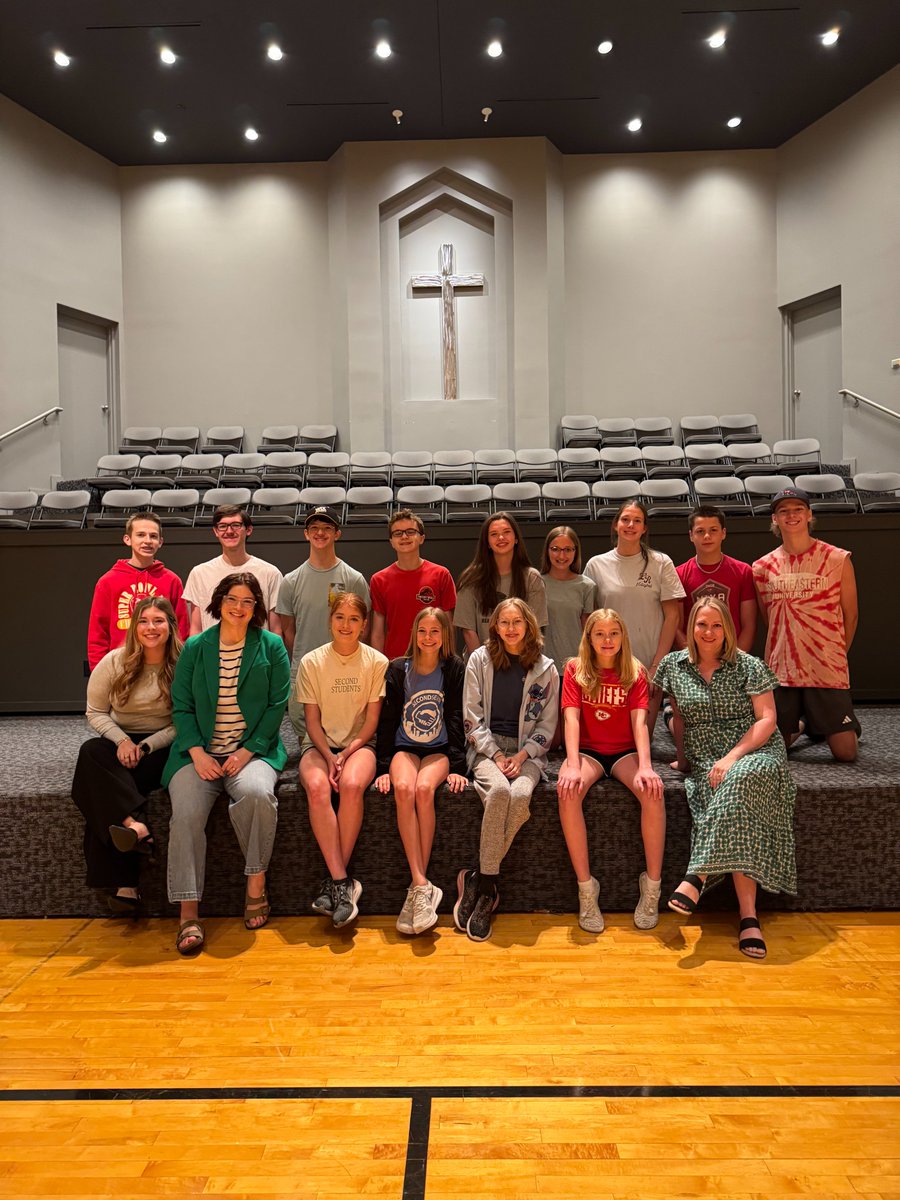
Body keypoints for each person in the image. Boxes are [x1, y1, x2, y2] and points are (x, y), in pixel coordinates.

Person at [654, 598, 797, 959]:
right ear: (692, 627)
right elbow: (680, 718)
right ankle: (748, 917)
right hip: (705, 760)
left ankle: (696, 876)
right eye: (701, 624)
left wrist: (732, 757)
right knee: (738, 807)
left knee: (740, 779)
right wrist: (684, 762)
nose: (708, 632)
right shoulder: (674, 665)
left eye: (716, 625)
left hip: (754, 752)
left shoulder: (749, 666)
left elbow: (767, 719)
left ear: (727, 629)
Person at [164, 572, 291, 956]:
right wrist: (198, 753)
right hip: (197, 752)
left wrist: (248, 750)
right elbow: (181, 706)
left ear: (257, 608)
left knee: (257, 795)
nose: (239, 607)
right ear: (218, 602)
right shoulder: (195, 647)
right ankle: (189, 909)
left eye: (248, 601)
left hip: (252, 750)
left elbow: (276, 705)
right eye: (232, 599)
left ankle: (255, 883)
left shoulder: (271, 646)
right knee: (185, 813)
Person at [456, 598, 559, 942]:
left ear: (529, 625)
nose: (511, 629)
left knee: (519, 796)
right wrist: (497, 754)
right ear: (495, 627)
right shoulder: (479, 660)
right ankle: (489, 889)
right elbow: (471, 717)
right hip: (485, 749)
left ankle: (479, 880)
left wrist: (524, 755)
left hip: (528, 752)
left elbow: (547, 724)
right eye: (504, 623)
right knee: (499, 791)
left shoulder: (546, 668)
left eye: (517, 622)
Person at [556, 609, 665, 933]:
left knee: (653, 792)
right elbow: (571, 719)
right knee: (567, 791)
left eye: (613, 633)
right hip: (588, 752)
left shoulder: (634, 671)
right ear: (589, 637)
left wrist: (646, 766)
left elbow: (639, 725)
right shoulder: (575, 669)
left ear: (623, 637)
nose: (607, 640)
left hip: (624, 752)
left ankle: (653, 887)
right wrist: (573, 765)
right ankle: (586, 889)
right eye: (600, 634)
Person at [72, 596, 183, 915]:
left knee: (103, 792)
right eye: (144, 621)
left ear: (170, 626)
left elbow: (185, 718)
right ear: (134, 627)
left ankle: (127, 886)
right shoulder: (115, 662)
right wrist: (122, 741)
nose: (151, 628)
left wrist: (145, 746)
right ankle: (134, 825)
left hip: (162, 747)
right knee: (91, 751)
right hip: (121, 741)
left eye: (159, 621)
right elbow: (95, 712)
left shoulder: (182, 663)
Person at [296, 593, 388, 929]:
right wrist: (328, 755)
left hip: (360, 745)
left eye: (353, 619)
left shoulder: (377, 662)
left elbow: (372, 721)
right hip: (318, 745)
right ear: (330, 620)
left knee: (350, 784)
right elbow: (311, 721)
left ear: (364, 625)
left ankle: (335, 884)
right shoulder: (312, 662)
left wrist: (347, 753)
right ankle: (342, 882)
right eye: (339, 617)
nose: (345, 625)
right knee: (318, 786)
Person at [374, 607, 467, 935]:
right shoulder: (399, 668)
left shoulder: (453, 668)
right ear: (414, 634)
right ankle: (421, 884)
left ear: (445, 636)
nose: (428, 638)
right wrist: (382, 768)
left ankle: (418, 890)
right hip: (405, 749)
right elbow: (387, 721)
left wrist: (458, 766)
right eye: (422, 631)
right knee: (404, 789)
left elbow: (456, 716)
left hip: (438, 751)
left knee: (424, 790)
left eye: (435, 632)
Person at [752, 487, 860, 763]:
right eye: (783, 510)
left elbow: (851, 615)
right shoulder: (762, 567)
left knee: (846, 753)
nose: (791, 515)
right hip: (783, 671)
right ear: (775, 519)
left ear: (809, 514)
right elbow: (770, 617)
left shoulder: (837, 559)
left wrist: (836, 655)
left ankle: (829, 723)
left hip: (826, 669)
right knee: (776, 750)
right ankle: (805, 724)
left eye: (798, 509)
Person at [668, 506, 757, 769]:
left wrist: (733, 661)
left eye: (713, 530)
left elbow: (749, 624)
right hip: (696, 661)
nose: (707, 536)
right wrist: (695, 658)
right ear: (691, 536)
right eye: (700, 531)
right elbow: (675, 623)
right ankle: (672, 719)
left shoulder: (742, 572)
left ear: (724, 533)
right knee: (692, 724)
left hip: (732, 658)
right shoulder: (679, 573)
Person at [584, 500, 684, 731]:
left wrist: (656, 666)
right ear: (615, 525)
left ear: (644, 528)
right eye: (625, 519)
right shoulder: (596, 565)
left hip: (648, 665)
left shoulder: (661, 562)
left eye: (637, 520)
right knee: (612, 739)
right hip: (608, 665)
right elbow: (588, 620)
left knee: (641, 740)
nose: (631, 525)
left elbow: (672, 617)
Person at [276, 505, 369, 740]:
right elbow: (288, 630)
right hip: (305, 670)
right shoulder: (290, 581)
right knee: (306, 737)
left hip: (345, 670)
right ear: (306, 534)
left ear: (337, 534)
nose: (320, 533)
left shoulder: (354, 579)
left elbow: (362, 630)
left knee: (344, 736)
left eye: (327, 528)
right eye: (314, 528)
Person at [87, 511, 189, 669]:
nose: (147, 541)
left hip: (163, 668)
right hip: (121, 668)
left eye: (153, 536)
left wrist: (181, 670)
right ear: (127, 539)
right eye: (141, 535)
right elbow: (98, 634)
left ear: (160, 542)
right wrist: (99, 673)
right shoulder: (107, 582)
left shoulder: (171, 581)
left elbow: (181, 630)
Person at [454, 511, 549, 654]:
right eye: (493, 534)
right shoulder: (471, 578)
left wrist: (519, 665)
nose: (501, 537)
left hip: (522, 663)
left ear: (516, 538)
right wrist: (484, 665)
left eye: (506, 532)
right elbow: (468, 631)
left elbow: (535, 628)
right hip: (482, 664)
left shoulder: (532, 578)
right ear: (487, 543)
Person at [370, 509, 457, 661]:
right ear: (391, 542)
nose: (404, 536)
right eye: (397, 533)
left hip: (434, 662)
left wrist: (447, 662)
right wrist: (380, 665)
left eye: (410, 531)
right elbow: (378, 632)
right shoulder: (379, 580)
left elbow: (448, 627)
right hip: (396, 663)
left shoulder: (441, 575)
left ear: (421, 538)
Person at [183, 504, 283, 636]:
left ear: (248, 530)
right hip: (212, 654)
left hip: (256, 654)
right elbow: (196, 629)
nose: (229, 531)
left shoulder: (270, 573)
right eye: (223, 526)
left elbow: (276, 629)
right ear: (216, 531)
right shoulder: (199, 573)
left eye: (236, 525)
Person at [539, 526, 596, 676]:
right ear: (547, 550)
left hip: (576, 668)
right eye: (556, 549)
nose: (562, 555)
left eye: (568, 549)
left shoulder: (587, 586)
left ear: (575, 551)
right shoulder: (536, 583)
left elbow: (588, 632)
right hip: (543, 668)